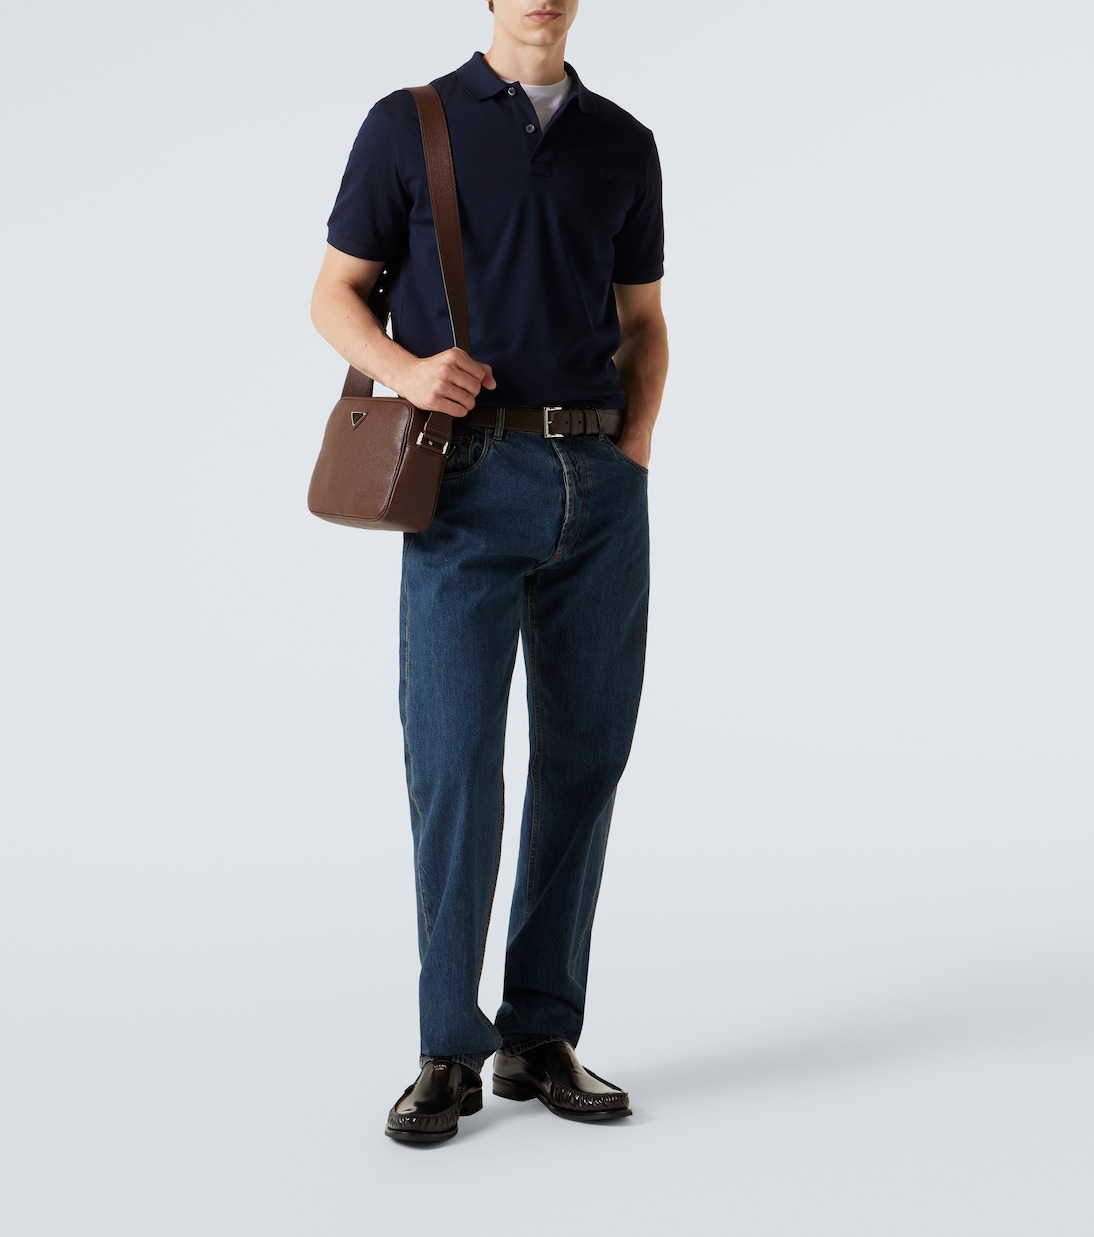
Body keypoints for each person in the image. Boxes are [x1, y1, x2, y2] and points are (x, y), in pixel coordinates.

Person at [310, 0, 668, 1143]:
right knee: (455, 763)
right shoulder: (408, 124)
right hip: (463, 483)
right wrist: (406, 370)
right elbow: (331, 293)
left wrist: (630, 452)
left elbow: (643, 323)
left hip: (597, 488)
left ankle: (538, 1034)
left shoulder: (623, 143)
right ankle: (445, 1050)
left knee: (584, 758)